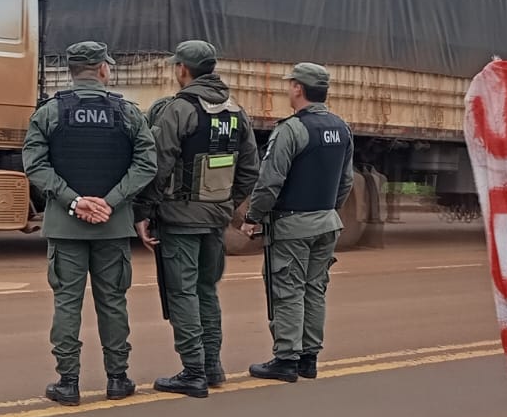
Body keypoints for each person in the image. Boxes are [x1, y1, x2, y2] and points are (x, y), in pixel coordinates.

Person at [23, 41, 157, 405]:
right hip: (112, 227)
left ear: (71, 71)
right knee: (112, 301)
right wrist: (110, 203)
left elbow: (35, 164)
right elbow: (146, 164)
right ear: (102, 69)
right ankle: (118, 379)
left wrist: (75, 200)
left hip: (65, 226)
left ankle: (68, 383)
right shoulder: (127, 113)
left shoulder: (50, 112)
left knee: (67, 302)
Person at [134, 41, 260, 398]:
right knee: (207, 289)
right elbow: (251, 169)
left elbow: (159, 166)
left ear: (182, 70)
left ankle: (192, 371)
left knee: (183, 292)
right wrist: (225, 203)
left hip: (179, 218)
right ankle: (212, 366)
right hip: (215, 218)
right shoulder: (237, 111)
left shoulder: (179, 109)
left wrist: (144, 211)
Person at [243, 63, 354, 383]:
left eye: (290, 84)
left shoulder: (292, 129)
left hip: (292, 225)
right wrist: (329, 211)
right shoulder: (341, 128)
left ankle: (286, 359)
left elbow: (269, 183)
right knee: (314, 289)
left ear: (298, 89)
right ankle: (308, 358)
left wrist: (253, 217)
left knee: (287, 289)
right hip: (326, 223)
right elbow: (345, 181)